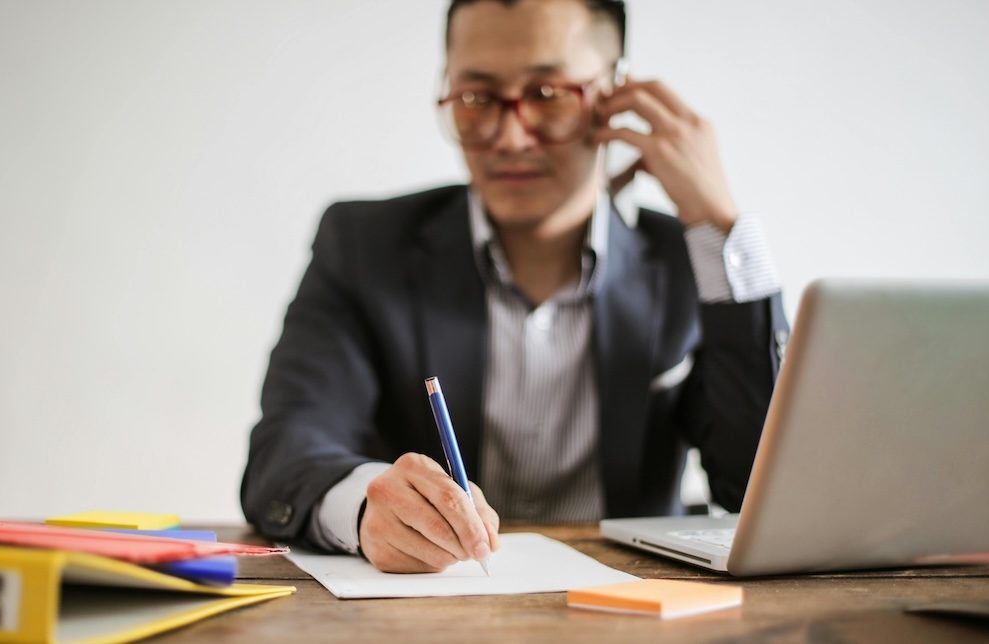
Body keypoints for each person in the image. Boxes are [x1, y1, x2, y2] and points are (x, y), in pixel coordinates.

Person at [241, 0, 789, 573]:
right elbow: (286, 450)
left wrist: (719, 227)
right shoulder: (363, 245)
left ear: (616, 94)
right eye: (476, 98)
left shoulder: (691, 261)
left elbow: (763, 489)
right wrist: (364, 506)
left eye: (548, 94)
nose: (509, 136)